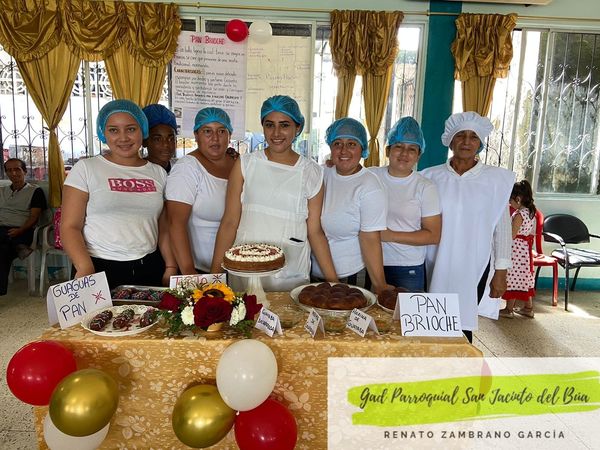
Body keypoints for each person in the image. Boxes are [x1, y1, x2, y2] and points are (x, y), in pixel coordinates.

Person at [211, 95, 338, 290]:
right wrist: (214, 277)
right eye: (270, 125)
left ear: (297, 128)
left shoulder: (312, 172)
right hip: (246, 265)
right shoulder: (246, 164)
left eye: (284, 125)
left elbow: (315, 231)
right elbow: (229, 222)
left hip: (291, 267)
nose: (276, 132)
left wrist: (334, 282)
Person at [61, 99, 177, 289]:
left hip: (149, 265)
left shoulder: (158, 173)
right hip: (97, 266)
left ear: (143, 131)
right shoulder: (86, 169)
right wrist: (84, 267)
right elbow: (70, 226)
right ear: (103, 133)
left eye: (131, 129)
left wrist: (170, 265)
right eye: (113, 130)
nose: (123, 138)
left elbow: (163, 225)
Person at [421, 111, 515, 343]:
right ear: (450, 140)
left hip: (475, 264)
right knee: (431, 321)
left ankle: (461, 363)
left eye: (473, 137)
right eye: (460, 135)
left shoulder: (495, 181)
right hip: (435, 261)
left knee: (462, 323)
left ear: (480, 143)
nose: (466, 141)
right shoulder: (430, 176)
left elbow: (502, 230)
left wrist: (501, 272)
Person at [311, 117, 391, 294]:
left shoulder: (369, 185)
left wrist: (380, 285)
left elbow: (370, 239)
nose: (343, 150)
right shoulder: (322, 174)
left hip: (350, 277)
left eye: (351, 144)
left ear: (362, 148)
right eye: (337, 144)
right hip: (312, 273)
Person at [370, 117, 441, 291]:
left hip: (406, 267)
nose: (404, 153)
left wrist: (390, 235)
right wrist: (331, 164)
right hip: (368, 261)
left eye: (412, 149)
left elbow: (433, 235)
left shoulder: (425, 187)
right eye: (399, 146)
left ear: (418, 155)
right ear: (388, 150)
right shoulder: (370, 176)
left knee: (402, 310)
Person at [166, 107, 237, 274]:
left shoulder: (239, 164)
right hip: (201, 270)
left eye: (221, 131)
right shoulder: (188, 168)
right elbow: (175, 224)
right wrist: (189, 273)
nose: (215, 138)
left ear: (230, 135)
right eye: (207, 131)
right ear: (196, 135)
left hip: (238, 268)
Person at [0, 158, 47, 295]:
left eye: (17, 169)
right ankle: (18, 247)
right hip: (2, 229)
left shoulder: (35, 191)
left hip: (22, 230)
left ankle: (18, 244)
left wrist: (19, 230)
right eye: (9, 170)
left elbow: (34, 217)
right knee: (3, 250)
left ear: (25, 171)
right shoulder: (1, 191)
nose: (13, 173)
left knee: (2, 249)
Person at [499, 180, 537, 318]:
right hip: (524, 251)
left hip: (516, 250)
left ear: (518, 199)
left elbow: (512, 235)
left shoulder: (519, 215)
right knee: (524, 278)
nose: (510, 203)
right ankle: (528, 308)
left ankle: (509, 309)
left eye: (510, 200)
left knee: (512, 278)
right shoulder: (530, 212)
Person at [142, 104, 177, 173]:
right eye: (157, 139)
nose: (166, 144)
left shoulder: (180, 168)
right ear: (144, 142)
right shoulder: (137, 173)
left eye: (171, 139)